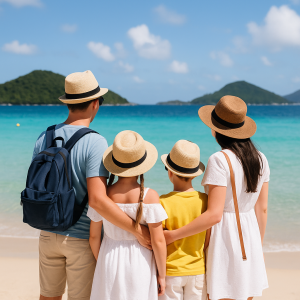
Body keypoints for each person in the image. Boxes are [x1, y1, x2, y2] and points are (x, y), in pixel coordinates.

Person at [33, 71, 151, 300]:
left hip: (47, 233)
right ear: (95, 103)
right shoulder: (94, 141)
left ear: (68, 103)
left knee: (48, 297)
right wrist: (137, 229)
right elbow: (98, 200)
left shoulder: (44, 136)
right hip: (80, 237)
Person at [164, 96, 269, 300]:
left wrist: (173, 235)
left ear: (216, 129)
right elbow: (262, 209)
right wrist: (258, 245)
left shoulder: (219, 160)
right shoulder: (261, 159)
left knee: (221, 294)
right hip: (251, 235)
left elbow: (214, 215)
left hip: (225, 238)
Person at [87, 130, 168, 300]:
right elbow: (159, 241)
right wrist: (162, 274)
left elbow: (94, 237)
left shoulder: (104, 197)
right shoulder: (149, 196)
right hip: (140, 261)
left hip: (108, 257)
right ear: (142, 166)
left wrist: (101, 261)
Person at [159, 140, 208, 300]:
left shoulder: (162, 202)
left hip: (171, 271)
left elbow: (159, 241)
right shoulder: (205, 200)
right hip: (197, 270)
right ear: (194, 174)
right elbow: (208, 238)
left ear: (170, 172)